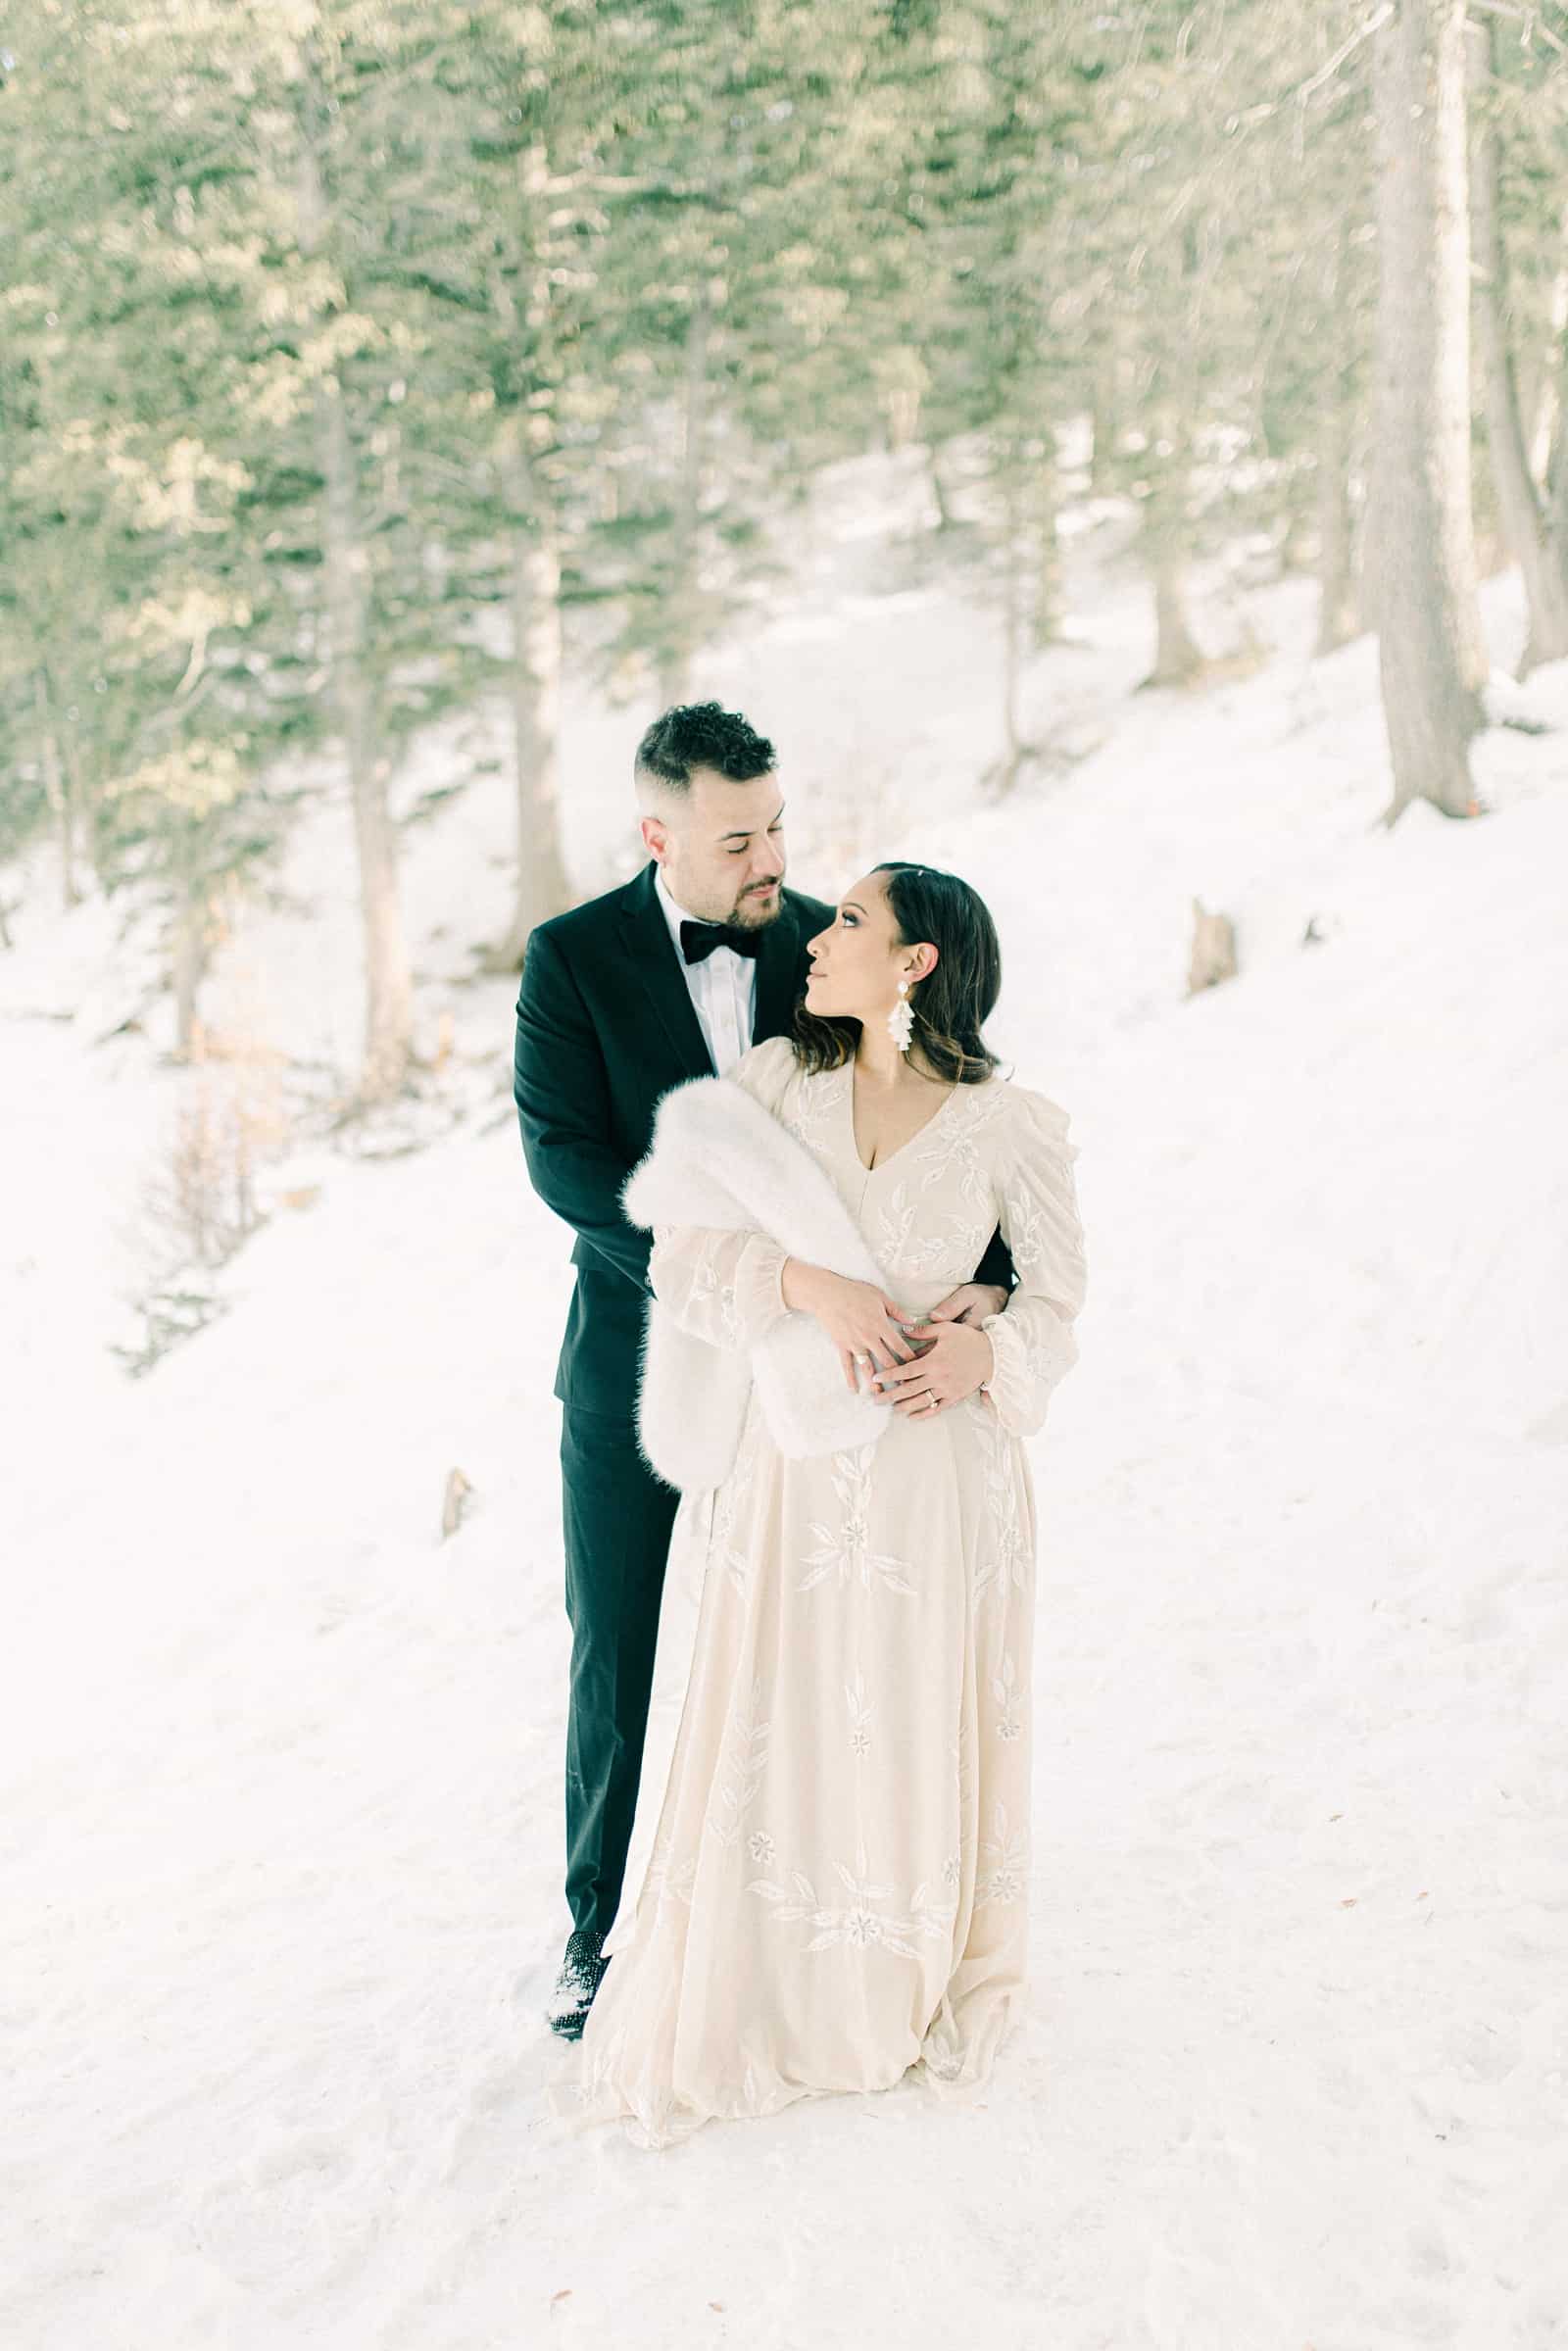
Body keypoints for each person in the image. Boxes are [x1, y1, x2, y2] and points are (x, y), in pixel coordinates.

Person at [512, 707, 1015, 2038]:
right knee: (617, 1648)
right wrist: (726, 1267)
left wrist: (994, 1296)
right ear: (657, 833)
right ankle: (594, 1932)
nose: (772, 856)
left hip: (828, 1375)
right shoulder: (570, 959)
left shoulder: (829, 943)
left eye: (780, 823)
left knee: (813, 1645)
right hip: (637, 1360)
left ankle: (795, 1929)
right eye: (740, 836)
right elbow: (564, 1162)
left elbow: (955, 1133)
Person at [567, 860, 1088, 2146]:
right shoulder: (771, 1091)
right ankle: (782, 1979)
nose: (819, 936)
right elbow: (686, 1253)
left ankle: (899, 1975)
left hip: (939, 1482)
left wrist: (992, 1350)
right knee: (784, 1712)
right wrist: (811, 1286)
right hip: (792, 1477)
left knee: (909, 1716)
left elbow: (1057, 1301)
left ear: (916, 962)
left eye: (851, 920)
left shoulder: (1008, 1121)